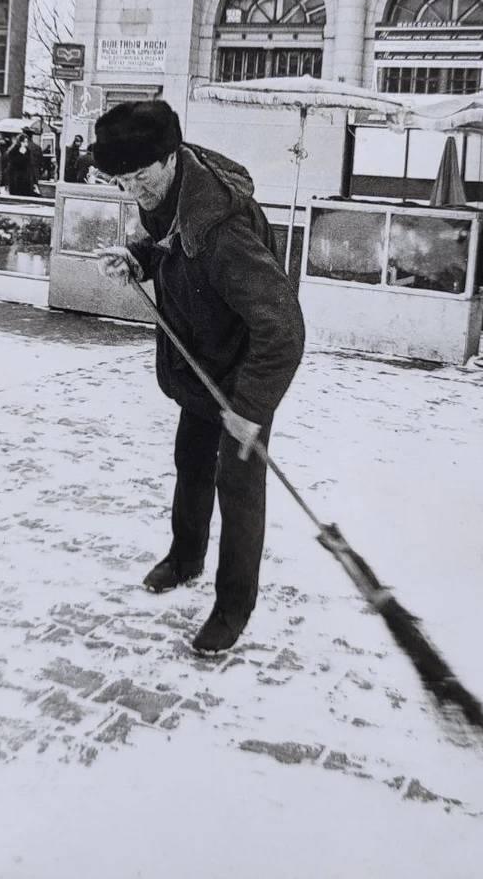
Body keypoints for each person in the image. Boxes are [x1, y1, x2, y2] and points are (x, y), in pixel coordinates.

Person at [94, 101, 305, 654]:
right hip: (201, 361)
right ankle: (185, 559)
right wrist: (139, 259)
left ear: (171, 158)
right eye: (121, 180)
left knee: (238, 486)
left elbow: (282, 327)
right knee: (191, 461)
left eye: (140, 176)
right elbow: (172, 248)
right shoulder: (173, 189)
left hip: (243, 371)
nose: (133, 190)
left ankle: (234, 606)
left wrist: (251, 409)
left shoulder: (223, 230)